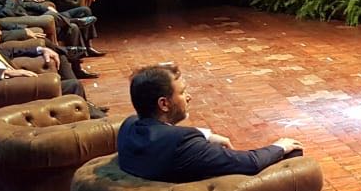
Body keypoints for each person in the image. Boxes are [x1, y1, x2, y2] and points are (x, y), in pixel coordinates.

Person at [117, 63, 302, 183]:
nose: (188, 97)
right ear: (164, 104)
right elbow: (248, 163)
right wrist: (280, 146)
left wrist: (206, 135)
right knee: (293, 153)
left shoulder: (128, 127)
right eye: (182, 93)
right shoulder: (184, 144)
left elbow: (162, 133)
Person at [0, 13, 100, 114]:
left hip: (24, 85)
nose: (1, 33)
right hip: (15, 93)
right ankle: (95, 117)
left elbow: (14, 51)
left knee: (72, 84)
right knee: (73, 85)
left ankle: (91, 113)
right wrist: (7, 72)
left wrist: (40, 49)